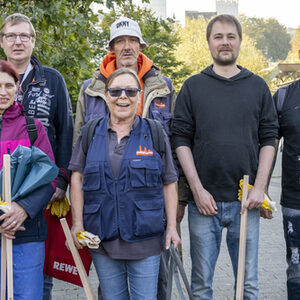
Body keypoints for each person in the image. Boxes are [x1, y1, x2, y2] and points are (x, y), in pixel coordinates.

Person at [72, 16, 186, 299]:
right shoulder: (90, 92)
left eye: (132, 40)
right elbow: (78, 168)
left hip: (148, 224)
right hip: (104, 228)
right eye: (119, 41)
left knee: (155, 290)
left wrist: (173, 221)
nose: (122, 96)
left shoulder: (163, 89)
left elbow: (170, 170)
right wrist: (77, 222)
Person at [172, 14, 278, 300]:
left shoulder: (257, 87)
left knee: (248, 286)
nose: (225, 42)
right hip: (203, 203)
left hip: (246, 203)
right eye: (218, 36)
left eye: (231, 36)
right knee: (202, 287)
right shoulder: (193, 87)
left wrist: (260, 188)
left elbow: (270, 137)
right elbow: (180, 138)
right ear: (208, 42)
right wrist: (196, 189)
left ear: (240, 41)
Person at [0, 13, 74, 299]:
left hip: (42, 192)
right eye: (11, 36)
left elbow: (66, 131)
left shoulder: (52, 80)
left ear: (33, 41)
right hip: (8, 202)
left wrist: (61, 182)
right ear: (3, 41)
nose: (18, 42)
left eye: (24, 36)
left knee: (37, 276)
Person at [0, 60, 56, 299]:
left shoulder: (33, 129)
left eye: (8, 85)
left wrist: (23, 209)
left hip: (27, 230)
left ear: (17, 89)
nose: (2, 92)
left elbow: (49, 178)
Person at [269, 81, 300, 300]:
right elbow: (270, 143)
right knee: (296, 267)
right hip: (295, 201)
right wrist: (263, 187)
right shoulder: (283, 97)